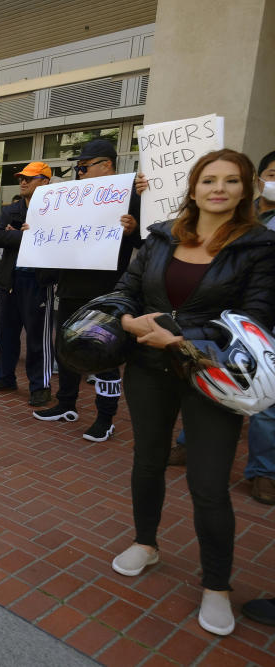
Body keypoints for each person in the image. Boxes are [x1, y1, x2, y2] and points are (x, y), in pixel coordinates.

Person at [108, 149, 275, 637]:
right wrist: (124, 318)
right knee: (147, 460)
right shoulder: (161, 235)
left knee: (208, 483)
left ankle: (217, 586)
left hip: (212, 375)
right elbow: (127, 288)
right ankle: (145, 543)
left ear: (246, 190)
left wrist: (182, 341)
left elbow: (257, 321)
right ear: (194, 187)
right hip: (147, 367)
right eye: (208, 180)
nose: (218, 188)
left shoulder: (259, 247)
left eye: (230, 181)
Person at [32, 139, 142, 442]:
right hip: (70, 287)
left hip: (106, 292)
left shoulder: (131, 196)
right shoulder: (72, 196)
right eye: (78, 168)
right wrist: (36, 233)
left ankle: (105, 418)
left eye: (84, 167)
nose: (79, 173)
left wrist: (133, 231)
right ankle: (66, 403)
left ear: (106, 164)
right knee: (66, 348)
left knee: (103, 355)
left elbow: (148, 245)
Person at [0, 161, 56, 407]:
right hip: (9, 281)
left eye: (30, 178)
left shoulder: (56, 210)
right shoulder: (11, 209)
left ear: (45, 182)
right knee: (6, 334)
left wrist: (18, 235)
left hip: (38, 281)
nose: (23, 182)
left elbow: (55, 241)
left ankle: (40, 386)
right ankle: (5, 377)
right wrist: (26, 235)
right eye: (22, 178)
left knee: (37, 337)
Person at [243, 150, 275, 504]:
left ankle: (263, 471)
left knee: (267, 396)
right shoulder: (238, 213)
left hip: (268, 319)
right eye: (272, 173)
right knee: (212, 383)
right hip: (227, 318)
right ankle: (189, 445)